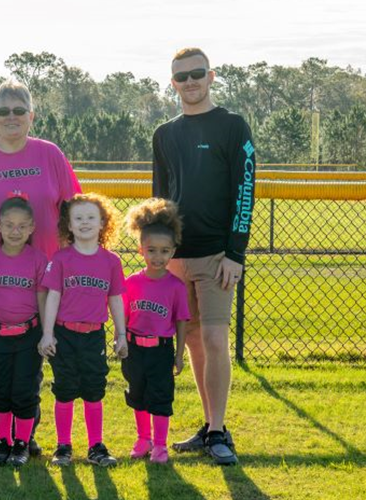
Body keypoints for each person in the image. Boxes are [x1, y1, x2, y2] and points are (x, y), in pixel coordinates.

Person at [0, 79, 81, 456]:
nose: (11, 117)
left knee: (31, 361)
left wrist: (73, 261)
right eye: (3, 111)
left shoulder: (49, 154)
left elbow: (73, 211)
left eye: (18, 110)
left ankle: (26, 431)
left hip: (41, 281)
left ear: (31, 116)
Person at [152, 47, 256, 466]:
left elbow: (245, 191)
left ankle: (219, 431)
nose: (190, 82)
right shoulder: (165, 133)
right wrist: (159, 255)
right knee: (192, 339)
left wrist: (235, 252)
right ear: (173, 82)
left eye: (197, 74)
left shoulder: (233, 126)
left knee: (215, 338)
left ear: (211, 77)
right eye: (182, 77)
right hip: (177, 257)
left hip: (217, 256)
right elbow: (159, 198)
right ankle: (208, 424)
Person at [38, 193, 127, 467]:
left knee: (93, 388)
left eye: (91, 217)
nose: (85, 223)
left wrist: (121, 334)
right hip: (64, 334)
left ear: (103, 223)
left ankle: (95, 446)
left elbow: (115, 299)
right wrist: (47, 332)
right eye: (78, 218)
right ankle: (63, 446)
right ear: (69, 225)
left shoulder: (111, 261)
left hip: (94, 335)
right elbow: (52, 296)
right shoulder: (62, 258)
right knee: (64, 388)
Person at [0, 194, 48, 467]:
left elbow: (42, 299)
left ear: (32, 228)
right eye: (9, 225)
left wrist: (45, 332)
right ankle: (3, 442)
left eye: (22, 226)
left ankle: (22, 443)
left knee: (25, 391)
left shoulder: (38, 260)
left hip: (28, 334)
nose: (15, 231)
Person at [122, 198, 190, 464]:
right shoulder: (131, 283)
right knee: (137, 395)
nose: (158, 257)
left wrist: (180, 354)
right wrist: (122, 341)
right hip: (134, 348)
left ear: (173, 252)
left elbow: (182, 321)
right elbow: (123, 317)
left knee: (160, 397)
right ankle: (143, 438)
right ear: (141, 250)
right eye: (152, 250)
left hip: (161, 350)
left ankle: (160, 445)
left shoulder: (176, 286)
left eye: (165, 251)